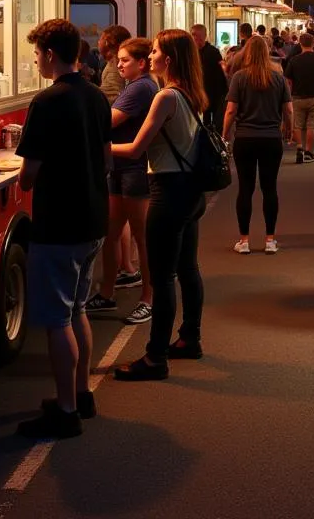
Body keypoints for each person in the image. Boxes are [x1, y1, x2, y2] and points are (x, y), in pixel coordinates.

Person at [15, 18, 111, 438]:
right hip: (93, 217)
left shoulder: (47, 102)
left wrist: (25, 175)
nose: (36, 59)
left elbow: (28, 175)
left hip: (59, 222)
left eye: (37, 53)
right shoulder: (96, 96)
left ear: (50, 54)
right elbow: (105, 157)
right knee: (78, 310)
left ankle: (66, 411)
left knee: (57, 319)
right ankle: (82, 393)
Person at [112, 30, 209, 380]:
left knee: (163, 275)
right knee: (188, 269)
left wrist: (97, 147)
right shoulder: (192, 94)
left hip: (167, 190)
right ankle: (189, 339)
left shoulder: (165, 96)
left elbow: (136, 149)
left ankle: (155, 357)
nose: (149, 56)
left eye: (153, 52)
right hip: (191, 189)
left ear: (167, 59)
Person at [85, 38, 157, 324]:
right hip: (121, 168)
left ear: (141, 62)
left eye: (125, 60)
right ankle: (107, 292)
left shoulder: (141, 87)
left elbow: (109, 120)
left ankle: (148, 298)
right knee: (112, 231)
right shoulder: (137, 85)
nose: (118, 64)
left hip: (134, 170)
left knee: (142, 237)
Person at [224, 35, 293, 254]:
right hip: (271, 138)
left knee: (245, 188)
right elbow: (289, 110)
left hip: (245, 138)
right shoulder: (278, 78)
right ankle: (270, 240)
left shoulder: (239, 78)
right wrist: (288, 130)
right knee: (269, 188)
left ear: (246, 53)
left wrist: (225, 134)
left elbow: (231, 110)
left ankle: (244, 241)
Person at [284, 32, 314, 164]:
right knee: (313, 126)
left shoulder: (294, 60)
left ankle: (299, 147)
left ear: (300, 44)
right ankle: (308, 151)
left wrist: (288, 96)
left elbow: (288, 81)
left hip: (297, 96)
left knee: (297, 125)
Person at [192, 24, 228, 129]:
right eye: (193, 35)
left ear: (204, 36)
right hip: (201, 92)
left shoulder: (213, 52)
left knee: (217, 122)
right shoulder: (193, 53)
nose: (194, 38)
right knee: (204, 121)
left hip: (215, 93)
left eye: (196, 35)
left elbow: (221, 73)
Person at [98, 24, 132, 105]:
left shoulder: (115, 65)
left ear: (107, 42)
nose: (98, 42)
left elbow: (112, 97)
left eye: (101, 39)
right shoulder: (115, 62)